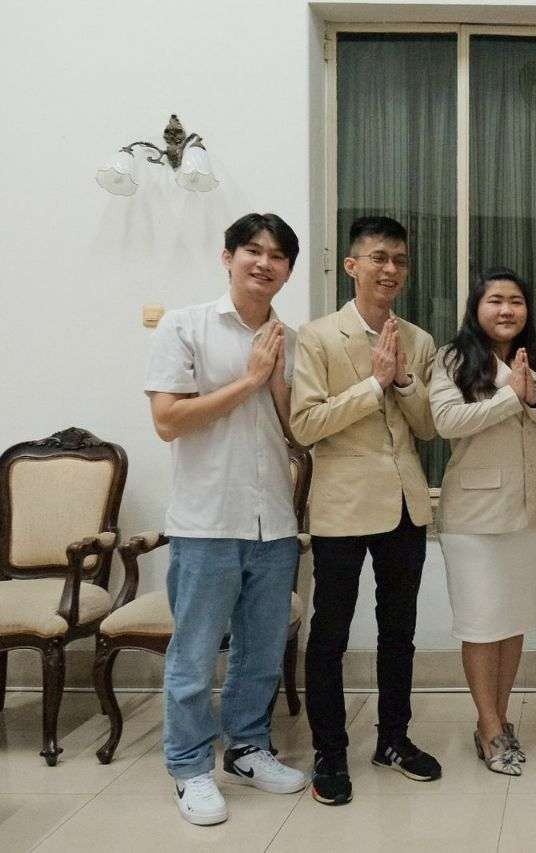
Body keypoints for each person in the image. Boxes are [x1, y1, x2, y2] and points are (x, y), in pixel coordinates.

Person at [144, 212, 308, 826]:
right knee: (193, 656)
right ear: (228, 257)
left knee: (261, 652)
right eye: (252, 251)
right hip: (206, 520)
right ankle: (188, 767)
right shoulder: (186, 326)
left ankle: (246, 747)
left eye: (277, 256)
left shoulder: (289, 338)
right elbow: (168, 421)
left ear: (288, 271)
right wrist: (251, 380)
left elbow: (296, 432)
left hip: (274, 519)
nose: (264, 263)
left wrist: (279, 383)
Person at [290, 216, 440, 805]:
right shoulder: (318, 337)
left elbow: (428, 428)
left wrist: (402, 380)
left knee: (397, 633)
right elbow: (305, 424)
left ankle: (393, 739)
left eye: (399, 260)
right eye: (378, 258)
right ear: (351, 266)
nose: (390, 269)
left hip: (406, 506)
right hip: (343, 508)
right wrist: (372, 386)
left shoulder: (419, 340)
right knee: (329, 635)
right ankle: (330, 752)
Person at [430, 267, 536, 776]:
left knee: (513, 621)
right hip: (472, 514)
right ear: (477, 308)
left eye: (516, 301)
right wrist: (509, 396)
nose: (506, 310)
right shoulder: (452, 358)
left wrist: (533, 396)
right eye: (495, 300)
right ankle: (489, 726)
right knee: (480, 621)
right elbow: (446, 422)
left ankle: (500, 718)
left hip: (531, 508)